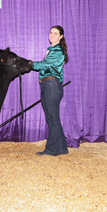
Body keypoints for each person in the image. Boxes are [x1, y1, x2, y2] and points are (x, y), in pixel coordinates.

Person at [32, 25, 69, 156]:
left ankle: (52, 149)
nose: (52, 35)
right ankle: (62, 148)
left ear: (61, 36)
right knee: (53, 118)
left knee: (52, 118)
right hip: (49, 85)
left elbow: (44, 65)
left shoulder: (57, 51)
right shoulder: (53, 50)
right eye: (51, 33)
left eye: (55, 33)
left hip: (51, 86)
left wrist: (29, 64)